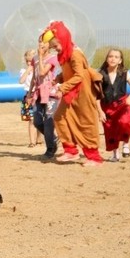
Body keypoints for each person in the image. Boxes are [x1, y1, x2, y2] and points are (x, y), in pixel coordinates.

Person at [41, 20, 104, 167]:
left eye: (56, 46)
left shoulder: (75, 54)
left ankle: (94, 157)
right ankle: (71, 150)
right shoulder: (64, 54)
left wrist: (62, 88)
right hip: (71, 91)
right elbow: (67, 72)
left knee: (86, 122)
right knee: (59, 116)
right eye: (53, 47)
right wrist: (57, 79)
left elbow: (79, 76)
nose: (55, 49)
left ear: (64, 39)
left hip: (82, 92)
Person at [97, 48, 130, 162]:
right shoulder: (100, 74)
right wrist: (100, 112)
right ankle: (115, 154)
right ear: (106, 59)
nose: (113, 59)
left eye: (116, 57)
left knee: (124, 122)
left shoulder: (125, 72)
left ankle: (126, 145)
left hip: (122, 105)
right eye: (110, 56)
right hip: (107, 107)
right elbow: (96, 96)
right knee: (110, 130)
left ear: (120, 60)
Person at [31, 41, 60, 161]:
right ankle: (53, 139)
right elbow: (35, 76)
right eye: (39, 41)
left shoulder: (53, 58)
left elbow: (43, 72)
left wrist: (42, 57)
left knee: (48, 121)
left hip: (50, 93)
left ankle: (49, 150)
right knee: (37, 122)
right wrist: (29, 93)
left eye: (45, 42)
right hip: (38, 93)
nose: (41, 44)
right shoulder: (35, 58)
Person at [19, 49, 42, 147]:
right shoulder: (24, 71)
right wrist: (28, 70)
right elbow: (21, 81)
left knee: (40, 118)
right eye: (27, 61)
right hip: (29, 95)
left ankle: (39, 138)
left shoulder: (39, 69)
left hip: (39, 95)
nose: (29, 63)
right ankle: (32, 142)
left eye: (31, 61)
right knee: (31, 119)